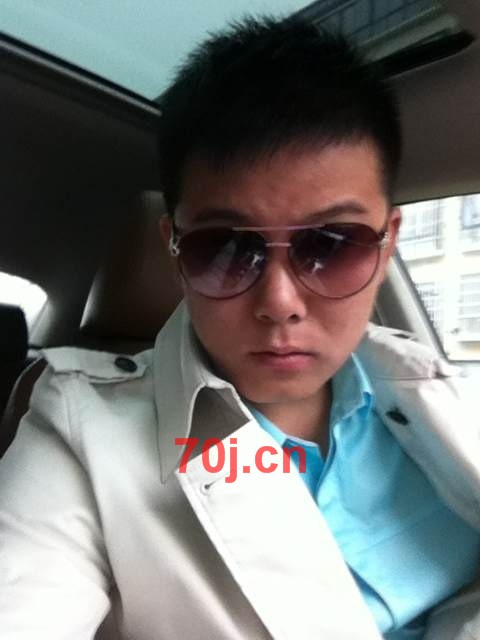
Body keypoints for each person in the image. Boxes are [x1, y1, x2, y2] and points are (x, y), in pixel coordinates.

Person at [1, 15, 479, 640]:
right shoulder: (77, 431)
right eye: (224, 248)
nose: (280, 302)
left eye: (332, 244)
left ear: (387, 243)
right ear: (175, 250)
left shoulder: (449, 395)